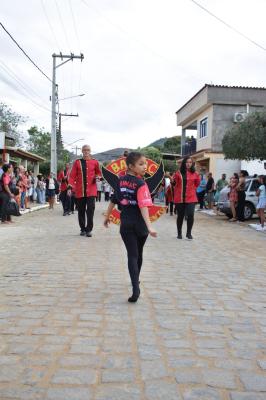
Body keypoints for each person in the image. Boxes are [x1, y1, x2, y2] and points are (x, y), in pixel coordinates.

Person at [104, 152, 157, 302]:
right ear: (131, 166)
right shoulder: (141, 184)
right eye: (141, 164)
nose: (145, 166)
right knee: (138, 254)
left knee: (132, 255)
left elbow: (113, 200)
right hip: (140, 225)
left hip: (126, 224)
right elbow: (143, 206)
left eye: (145, 163)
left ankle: (135, 286)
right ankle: (136, 284)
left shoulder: (120, 182)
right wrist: (150, 226)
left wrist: (107, 216)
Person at [68, 144, 101, 237]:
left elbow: (98, 173)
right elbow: (72, 176)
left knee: (90, 210)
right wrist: (70, 188)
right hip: (80, 190)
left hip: (91, 191)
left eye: (88, 150)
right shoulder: (77, 162)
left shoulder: (95, 162)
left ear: (90, 151)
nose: (86, 151)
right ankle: (82, 229)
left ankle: (89, 229)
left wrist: (98, 177)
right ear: (82, 151)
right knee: (81, 210)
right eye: (84, 150)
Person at [173, 156, 200, 240]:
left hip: (191, 198)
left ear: (192, 164)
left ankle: (189, 233)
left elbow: (197, 184)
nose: (188, 164)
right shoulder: (178, 173)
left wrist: (191, 190)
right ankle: (179, 233)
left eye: (190, 162)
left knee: (191, 215)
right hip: (179, 198)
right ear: (184, 163)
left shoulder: (195, 174)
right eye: (187, 162)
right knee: (180, 216)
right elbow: (174, 184)